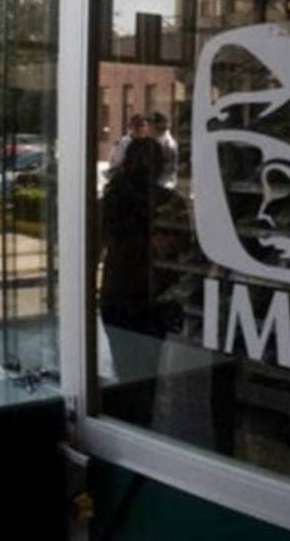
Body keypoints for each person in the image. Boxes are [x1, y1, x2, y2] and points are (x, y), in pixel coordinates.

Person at [99, 137, 187, 425]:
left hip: (118, 295)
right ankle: (142, 425)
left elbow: (95, 248)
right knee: (148, 376)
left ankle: (130, 426)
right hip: (153, 297)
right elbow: (183, 250)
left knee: (127, 372)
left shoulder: (110, 201)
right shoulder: (170, 202)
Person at [105, 113, 148, 180]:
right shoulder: (121, 143)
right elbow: (114, 165)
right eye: (137, 125)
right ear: (130, 127)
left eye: (142, 125)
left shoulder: (150, 144)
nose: (140, 129)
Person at [146, 111, 178, 189]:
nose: (147, 128)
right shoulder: (155, 141)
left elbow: (167, 170)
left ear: (158, 126)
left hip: (162, 186)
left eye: (150, 125)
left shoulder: (167, 145)